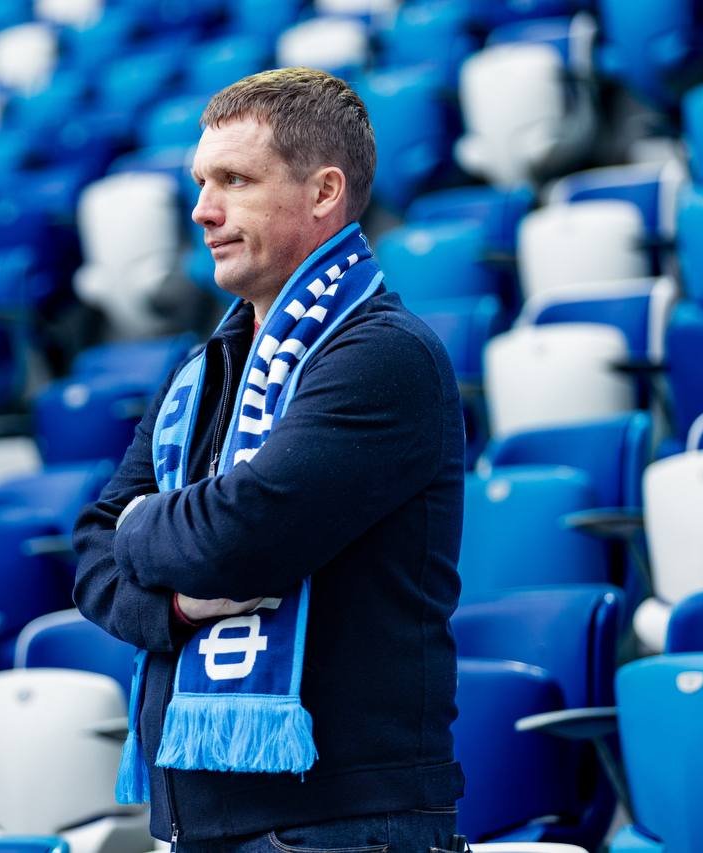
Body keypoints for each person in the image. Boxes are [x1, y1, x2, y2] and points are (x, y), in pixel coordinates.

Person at [72, 67, 465, 852]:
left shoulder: (381, 356)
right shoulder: (201, 372)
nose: (202, 209)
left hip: (342, 828)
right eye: (201, 183)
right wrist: (178, 609)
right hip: (206, 824)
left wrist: (143, 523)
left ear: (323, 193)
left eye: (235, 181)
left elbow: (239, 535)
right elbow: (89, 551)